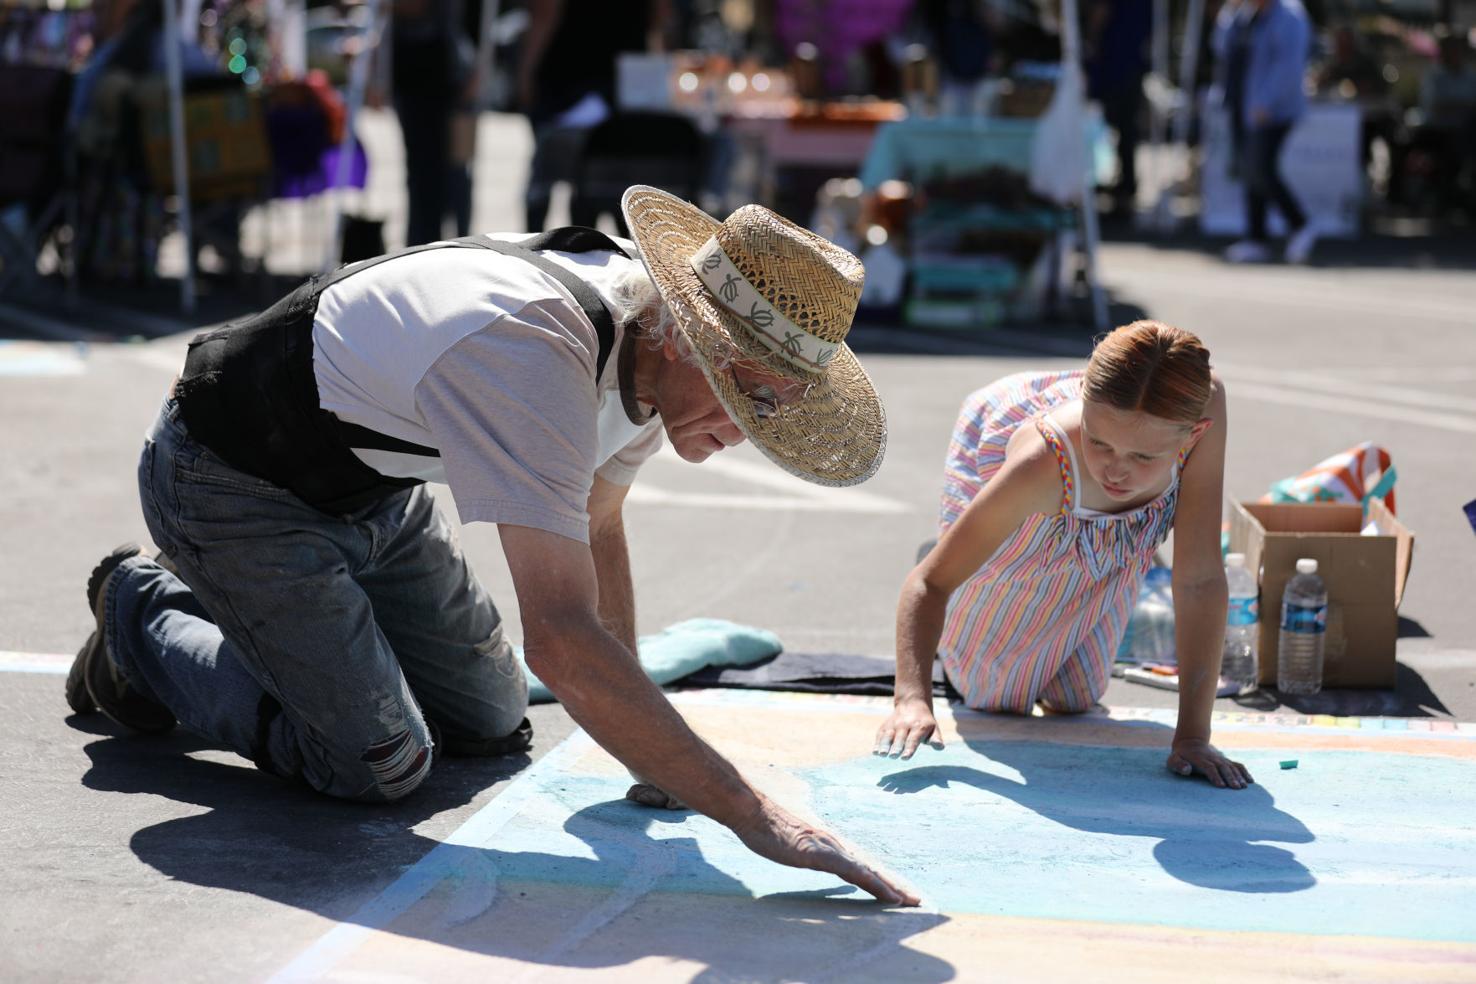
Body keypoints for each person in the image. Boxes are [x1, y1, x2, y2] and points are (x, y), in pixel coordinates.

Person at [67, 185, 914, 905]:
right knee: (376, 762)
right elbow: (562, 642)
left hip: (369, 493)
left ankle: (293, 631)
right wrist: (750, 812)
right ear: (684, 337)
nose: (746, 430)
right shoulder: (535, 350)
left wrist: (650, 750)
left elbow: (598, 521)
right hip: (230, 481)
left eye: (772, 408)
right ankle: (142, 619)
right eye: (745, 396)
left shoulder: (654, 341)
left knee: (493, 718)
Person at [875, 321, 1254, 791]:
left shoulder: (1203, 401)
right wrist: (911, 697)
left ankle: (1046, 546)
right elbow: (930, 583)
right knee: (994, 695)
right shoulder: (1041, 464)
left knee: (1076, 697)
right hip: (1027, 486)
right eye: (1100, 442)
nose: (1117, 469)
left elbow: (1198, 579)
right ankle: (972, 545)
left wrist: (1194, 736)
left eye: (1143, 458)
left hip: (1094, 522)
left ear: (1194, 434)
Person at [1213, 0, 1316, 264]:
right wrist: (1230, 10)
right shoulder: (1244, 16)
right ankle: (1256, 238)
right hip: (1244, 105)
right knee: (1249, 169)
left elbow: (1289, 67)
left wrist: (1265, 103)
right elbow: (1220, 45)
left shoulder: (1290, 16)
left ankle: (1300, 224)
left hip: (1272, 110)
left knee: (1260, 168)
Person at [391, 0, 476, 245]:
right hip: (418, 79)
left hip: (443, 79)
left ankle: (456, 240)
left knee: (453, 171)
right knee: (423, 174)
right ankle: (424, 240)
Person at [1083, 0, 1152, 216]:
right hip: (1129, 60)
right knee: (1125, 129)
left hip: (1118, 62)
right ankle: (1124, 187)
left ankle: (1124, 189)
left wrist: (1091, 40)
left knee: (1123, 128)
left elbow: (1101, 12)